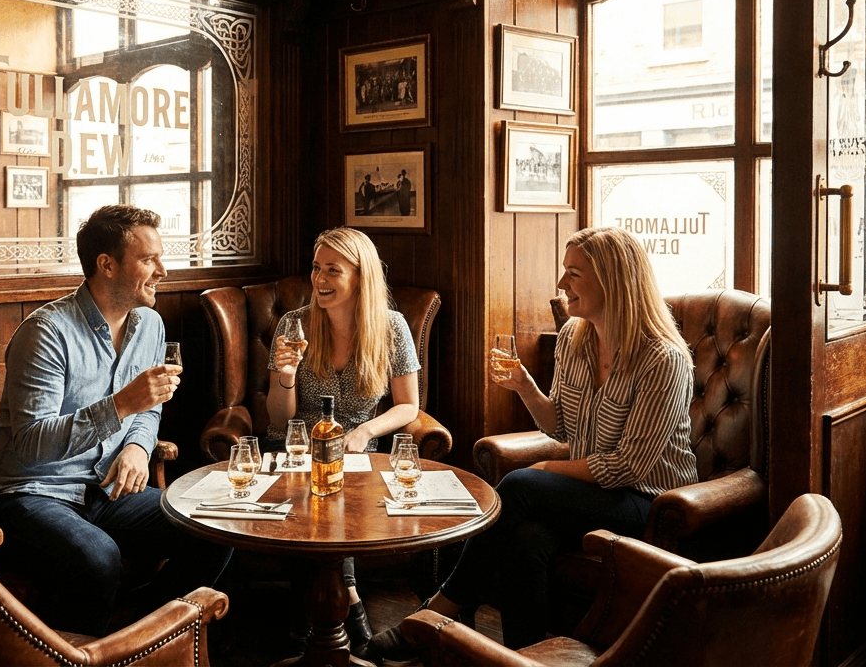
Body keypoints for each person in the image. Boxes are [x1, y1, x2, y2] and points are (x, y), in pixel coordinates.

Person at [365, 225, 697, 659]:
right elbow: (560, 427)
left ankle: (440, 608)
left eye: (574, 274)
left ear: (612, 281)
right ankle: (526, 656)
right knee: (528, 538)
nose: (560, 283)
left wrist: (543, 471)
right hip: (589, 493)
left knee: (522, 484)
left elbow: (627, 467)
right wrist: (525, 387)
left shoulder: (663, 360)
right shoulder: (574, 340)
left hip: (648, 502)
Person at [0, 204, 232, 636]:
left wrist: (136, 447)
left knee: (214, 527)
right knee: (97, 557)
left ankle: (140, 638)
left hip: (105, 489)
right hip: (30, 493)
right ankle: (75, 657)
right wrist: (120, 405)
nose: (162, 271)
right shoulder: (46, 332)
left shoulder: (150, 325)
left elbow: (149, 407)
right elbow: (31, 444)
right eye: (149, 260)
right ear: (107, 265)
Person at [267, 226, 422, 654]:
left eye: (333, 270)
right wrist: (286, 375)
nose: (319, 279)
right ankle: (352, 612)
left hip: (355, 452)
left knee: (332, 499)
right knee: (314, 498)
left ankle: (310, 626)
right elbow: (278, 419)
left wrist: (365, 431)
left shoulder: (391, 328)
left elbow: (409, 406)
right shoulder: (294, 324)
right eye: (316, 268)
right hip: (294, 449)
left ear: (360, 276)